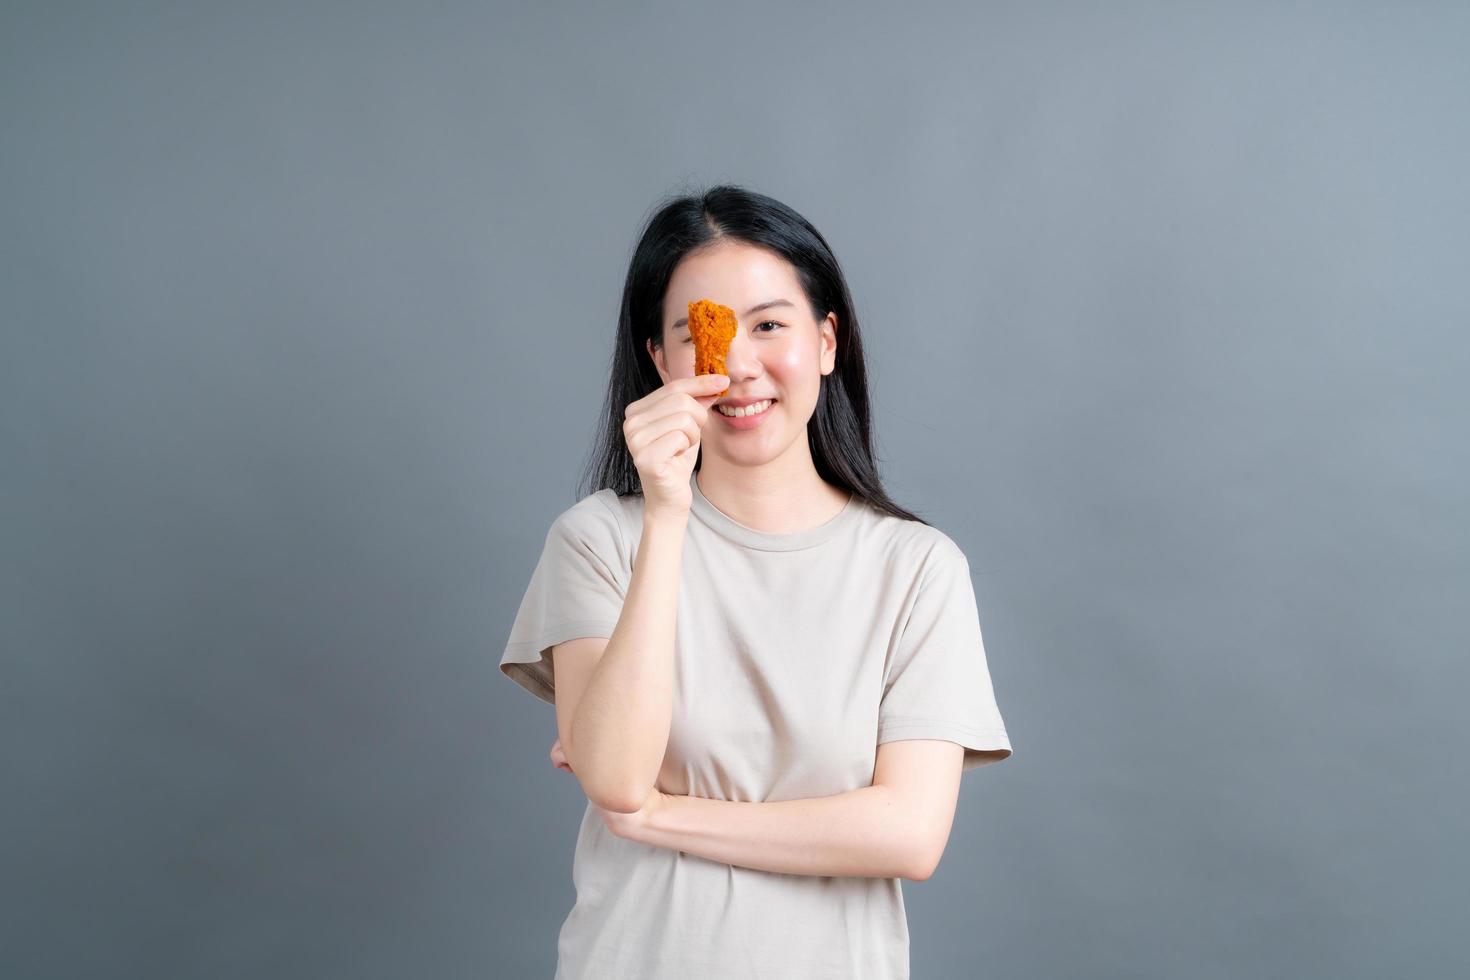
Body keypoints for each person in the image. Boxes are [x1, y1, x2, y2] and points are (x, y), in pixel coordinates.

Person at [499, 184, 1012, 979]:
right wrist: (667, 514)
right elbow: (613, 776)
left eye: (770, 325)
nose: (737, 366)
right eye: (700, 333)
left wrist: (657, 816)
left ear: (827, 342)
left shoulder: (916, 569)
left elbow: (909, 837)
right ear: (661, 360)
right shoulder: (598, 540)